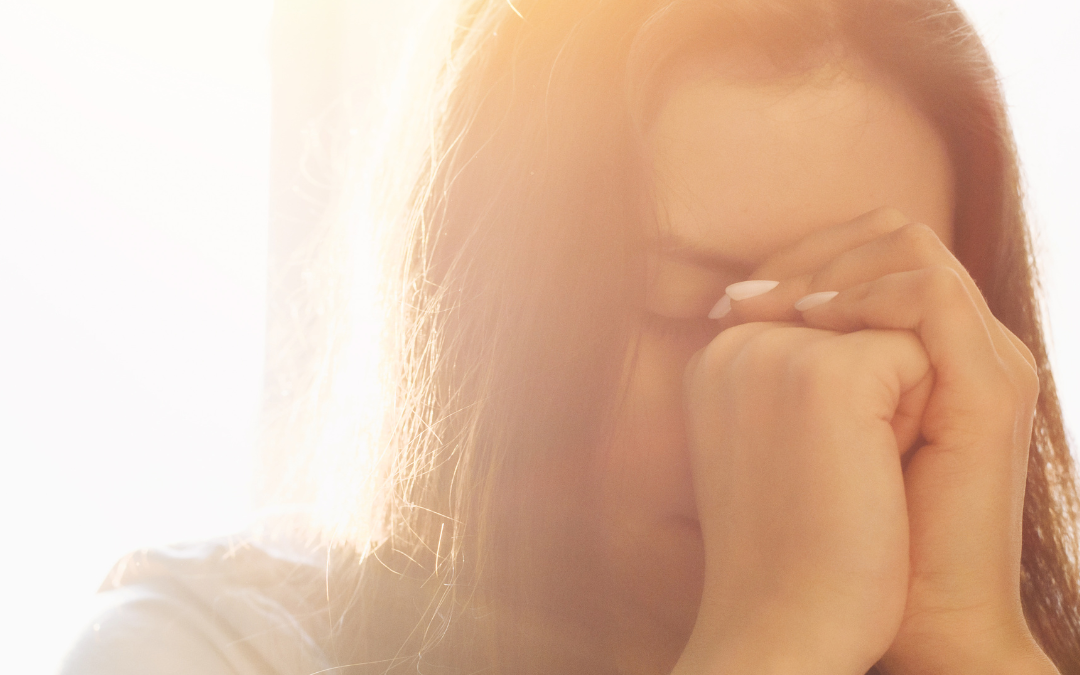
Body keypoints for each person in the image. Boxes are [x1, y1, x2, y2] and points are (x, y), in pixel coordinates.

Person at [59, 0, 1080, 674]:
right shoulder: (204, 651)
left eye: (873, 317)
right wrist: (775, 642)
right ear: (493, 318)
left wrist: (965, 638)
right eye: (693, 311)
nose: (793, 384)